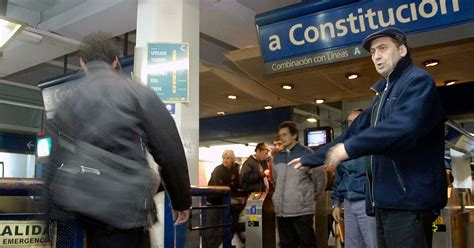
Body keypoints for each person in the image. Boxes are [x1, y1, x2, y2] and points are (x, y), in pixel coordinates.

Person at [289, 27, 447, 248]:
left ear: (402, 50)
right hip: (385, 201)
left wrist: (349, 149)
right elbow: (352, 133)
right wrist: (312, 159)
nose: (376, 56)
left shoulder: (417, 81)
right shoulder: (382, 95)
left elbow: (403, 127)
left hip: (409, 201)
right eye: (373, 52)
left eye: (383, 48)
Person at [48, 32, 192, 248]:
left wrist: (50, 212)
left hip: (87, 206)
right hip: (128, 207)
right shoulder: (139, 93)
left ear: (83, 64)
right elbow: (169, 151)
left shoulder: (69, 102)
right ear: (116, 62)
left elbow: (55, 158)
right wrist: (181, 200)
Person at [272, 121, 326, 248]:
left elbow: (320, 179)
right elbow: (276, 179)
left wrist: (309, 198)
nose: (282, 138)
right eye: (280, 135)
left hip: (302, 210)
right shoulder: (277, 157)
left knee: (307, 243)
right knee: (286, 244)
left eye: (285, 135)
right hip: (282, 211)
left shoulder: (307, 154)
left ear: (294, 135)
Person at [331, 108, 377, 248]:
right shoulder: (344, 148)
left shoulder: (373, 145)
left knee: (372, 244)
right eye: (349, 122)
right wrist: (336, 204)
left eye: (355, 121)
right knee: (352, 245)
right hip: (348, 203)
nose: (351, 125)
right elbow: (339, 178)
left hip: (367, 202)